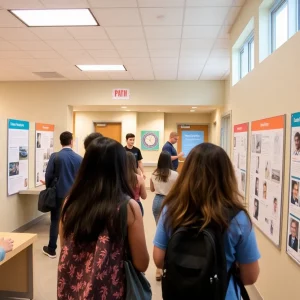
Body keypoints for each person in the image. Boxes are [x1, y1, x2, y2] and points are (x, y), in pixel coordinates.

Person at [153, 143, 260, 300]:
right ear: (226, 175)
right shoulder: (238, 217)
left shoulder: (171, 209)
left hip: (181, 292)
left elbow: (159, 260)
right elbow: (250, 277)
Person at [58, 137, 149, 299]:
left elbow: (64, 245)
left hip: (72, 289)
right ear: (120, 167)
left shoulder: (70, 202)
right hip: (110, 290)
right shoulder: (128, 207)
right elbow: (142, 263)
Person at [43, 131, 82, 259]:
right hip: (74, 195)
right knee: (74, 220)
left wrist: (49, 187)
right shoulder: (79, 158)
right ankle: (74, 249)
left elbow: (48, 175)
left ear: (61, 142)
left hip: (59, 194)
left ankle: (52, 249)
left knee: (55, 220)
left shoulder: (55, 156)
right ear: (71, 142)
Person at [150, 151, 178, 281]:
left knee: (160, 233)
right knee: (172, 233)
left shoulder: (154, 173)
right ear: (169, 161)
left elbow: (151, 189)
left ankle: (158, 270)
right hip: (171, 202)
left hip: (157, 202)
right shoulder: (175, 175)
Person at [126, 151, 147, 216]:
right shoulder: (138, 178)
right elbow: (144, 196)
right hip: (136, 205)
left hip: (121, 206)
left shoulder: (118, 177)